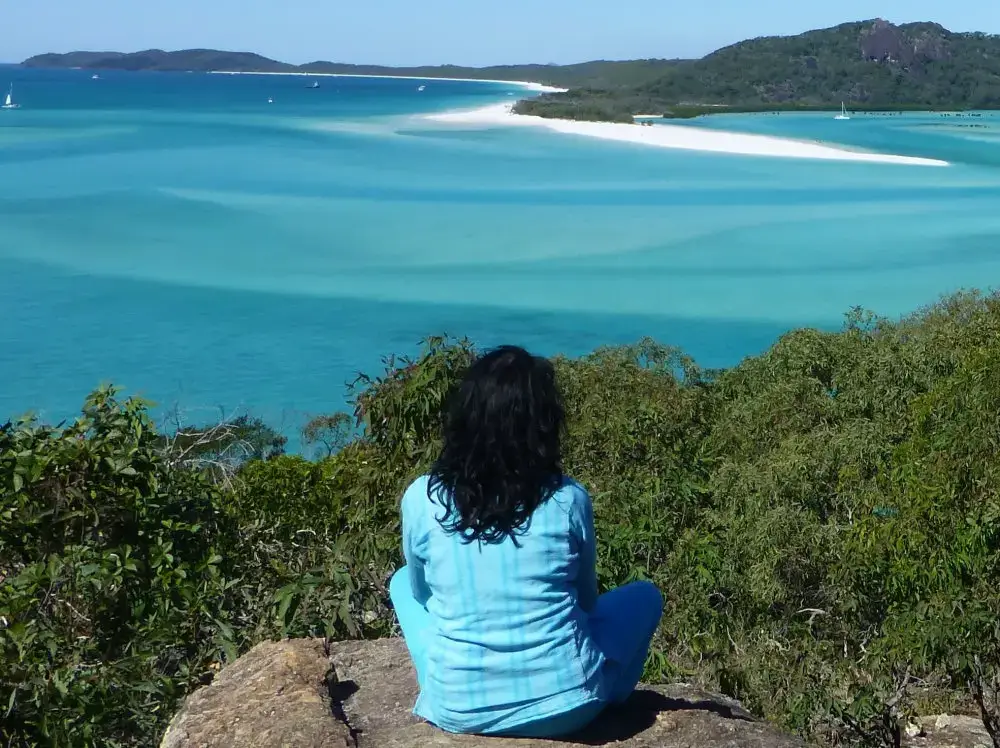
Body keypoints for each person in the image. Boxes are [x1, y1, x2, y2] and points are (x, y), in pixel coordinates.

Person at [389, 345, 663, 738]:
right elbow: (586, 602)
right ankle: (613, 693)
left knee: (400, 582)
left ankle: (454, 677)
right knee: (646, 596)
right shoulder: (567, 498)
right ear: (543, 425)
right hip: (571, 705)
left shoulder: (422, 498)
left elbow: (421, 593)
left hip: (459, 710)